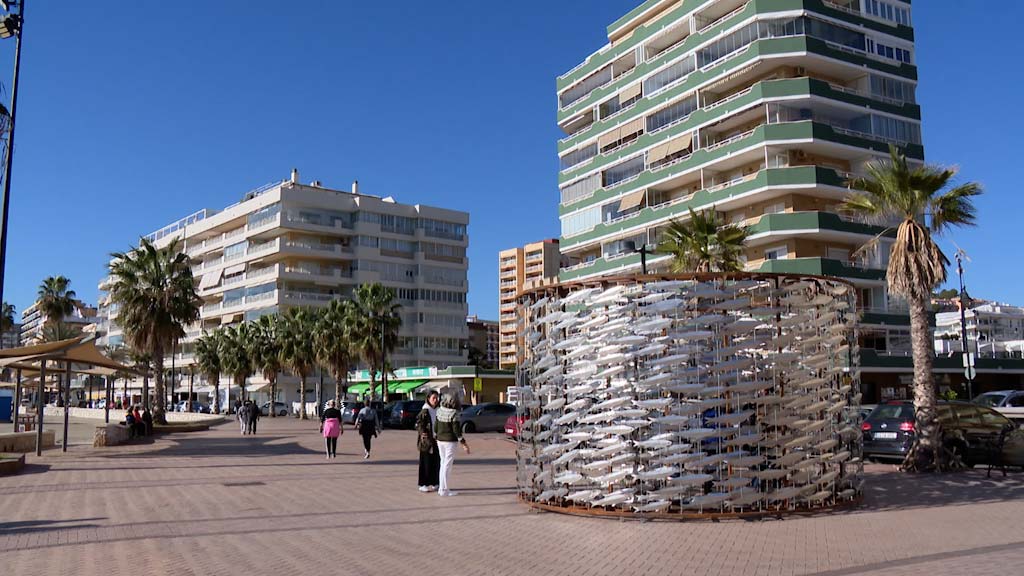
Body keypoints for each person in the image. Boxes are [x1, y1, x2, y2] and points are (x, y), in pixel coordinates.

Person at [434, 393, 469, 496]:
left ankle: (441, 488)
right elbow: (457, 430)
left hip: (440, 440)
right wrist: (463, 443)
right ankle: (444, 490)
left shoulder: (439, 411)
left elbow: (436, 427)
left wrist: (436, 435)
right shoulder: (454, 413)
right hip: (450, 441)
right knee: (447, 465)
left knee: (443, 463)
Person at [416, 391, 441, 492]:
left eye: (437, 398)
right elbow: (419, 423)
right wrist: (423, 432)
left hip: (437, 439)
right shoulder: (425, 411)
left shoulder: (438, 410)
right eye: (433, 398)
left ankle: (435, 482)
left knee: (436, 462)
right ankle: (423, 484)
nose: (435, 400)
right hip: (426, 441)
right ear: (428, 399)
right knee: (425, 462)